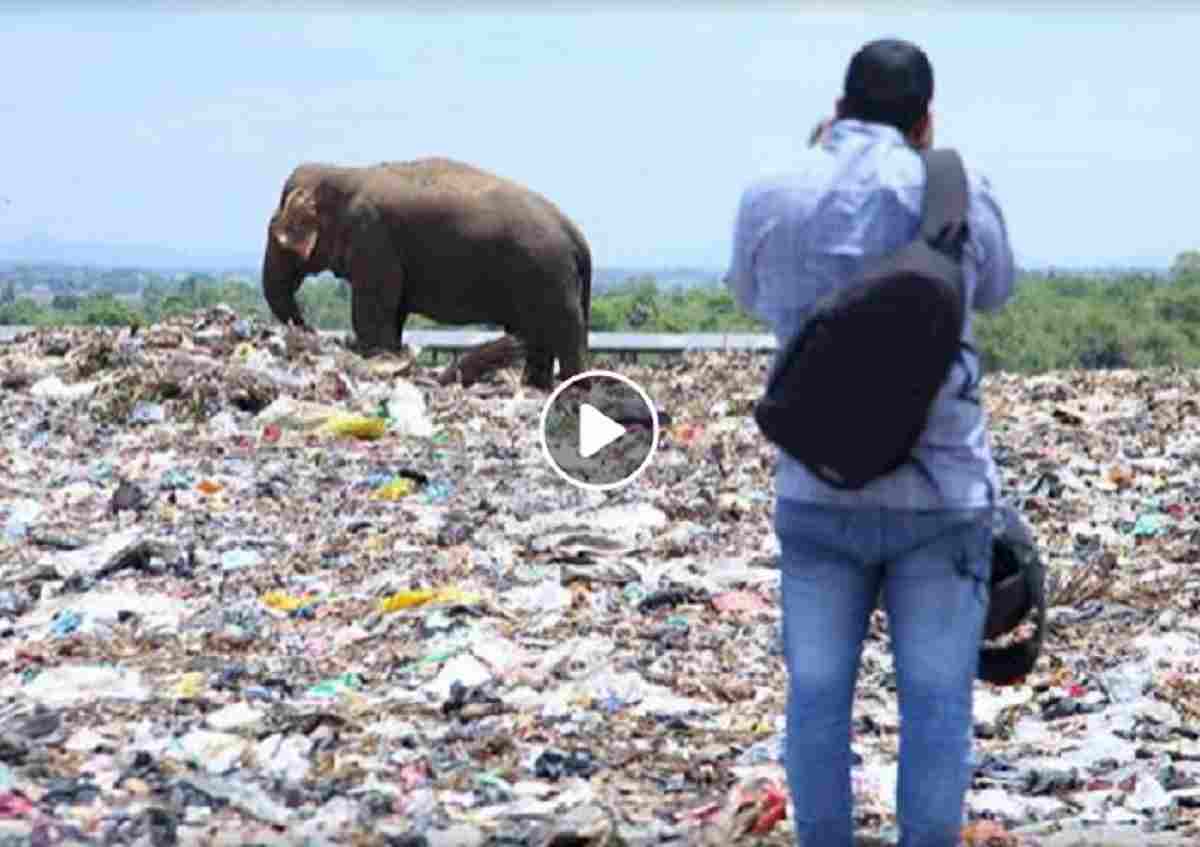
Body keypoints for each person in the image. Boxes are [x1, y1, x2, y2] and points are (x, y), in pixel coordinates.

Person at [726, 39, 1016, 847]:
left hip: (817, 484)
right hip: (943, 491)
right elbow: (995, 287)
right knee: (936, 697)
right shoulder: (957, 188)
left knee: (816, 695)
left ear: (841, 107)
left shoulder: (773, 188)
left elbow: (749, 293)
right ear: (925, 120)